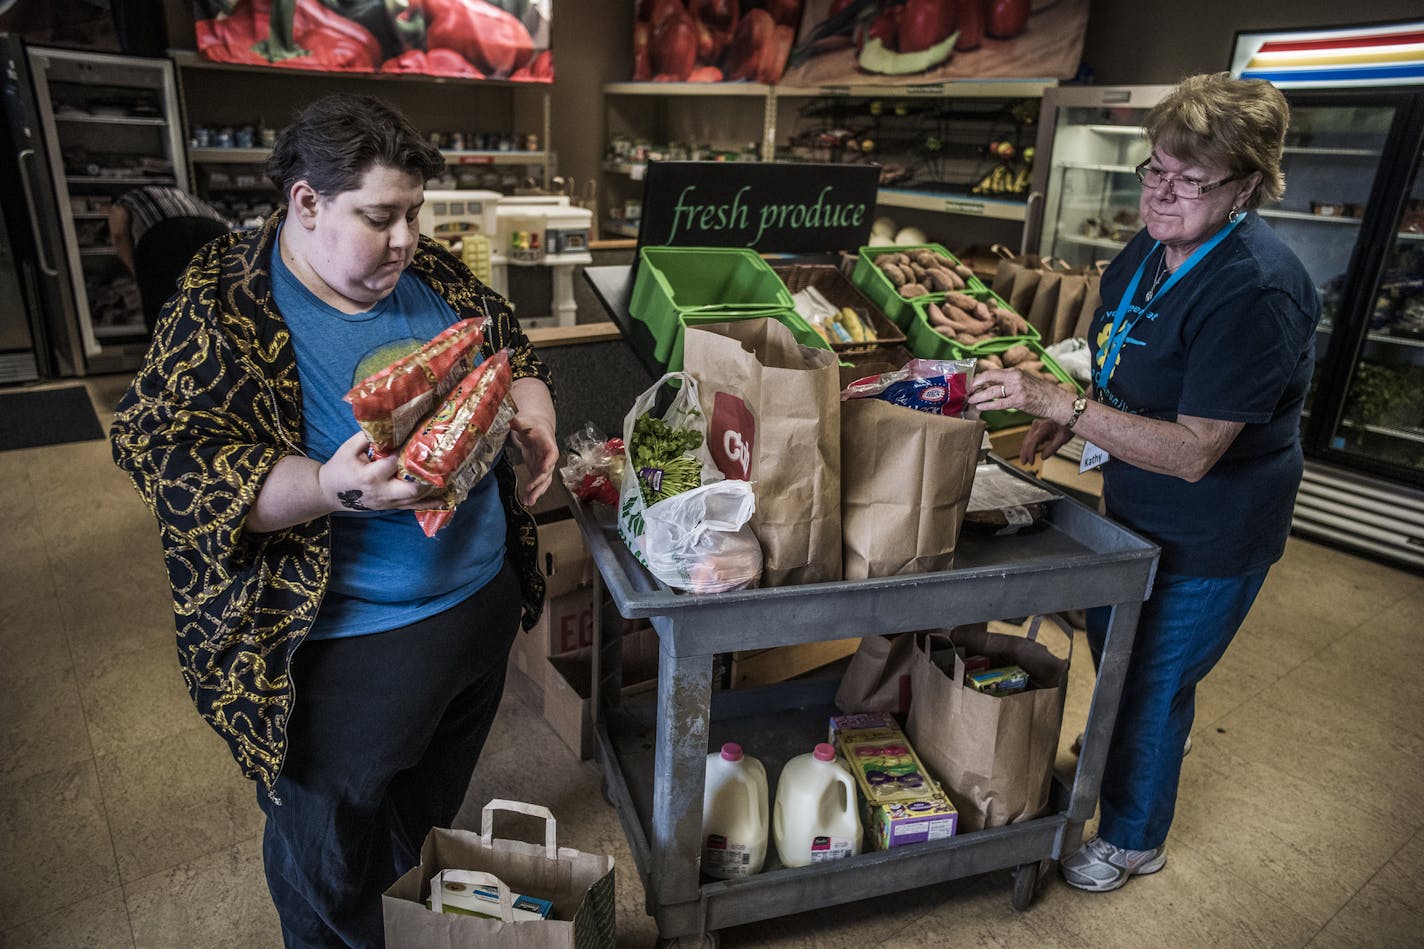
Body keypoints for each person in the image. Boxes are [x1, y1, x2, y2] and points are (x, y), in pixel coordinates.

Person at [109, 94, 558, 947]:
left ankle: (402, 915)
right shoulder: (223, 304)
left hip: (478, 613)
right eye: (379, 217)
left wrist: (530, 410)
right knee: (326, 851)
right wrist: (323, 485)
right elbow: (167, 459)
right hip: (347, 645)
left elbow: (512, 345)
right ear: (305, 201)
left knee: (416, 817)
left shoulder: (429, 275)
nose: (405, 239)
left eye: (414, 215)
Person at [967, 73, 1319, 893]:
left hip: (1212, 522)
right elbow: (1118, 342)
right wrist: (1081, 410)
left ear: (1249, 186)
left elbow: (1198, 450)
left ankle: (1132, 836)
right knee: (1122, 652)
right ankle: (1134, 737)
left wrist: (1065, 402)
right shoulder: (1154, 245)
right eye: (1154, 170)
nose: (1162, 193)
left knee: (1154, 676)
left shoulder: (1256, 289)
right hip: (1134, 500)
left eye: (1190, 180)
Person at [108, 184, 230, 331]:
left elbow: (119, 234)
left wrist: (136, 271)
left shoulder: (123, 201)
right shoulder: (177, 193)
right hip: (216, 228)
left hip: (164, 232)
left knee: (162, 304)